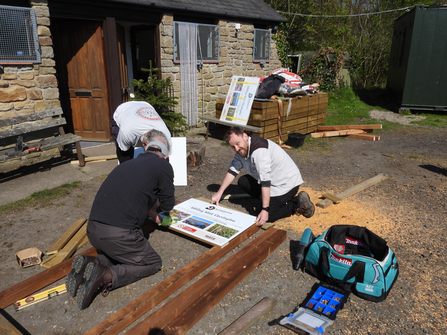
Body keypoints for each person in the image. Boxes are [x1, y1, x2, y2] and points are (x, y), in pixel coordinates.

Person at [65, 129, 175, 310]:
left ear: (147, 147)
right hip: (119, 234)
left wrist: (151, 211)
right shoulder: (163, 165)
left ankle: (92, 263)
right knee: (153, 263)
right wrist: (161, 213)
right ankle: (105, 275)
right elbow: (168, 205)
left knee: (119, 255)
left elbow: (135, 197)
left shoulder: (126, 165)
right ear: (164, 155)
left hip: (93, 230)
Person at [211, 127, 315, 226]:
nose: (236, 148)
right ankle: (268, 200)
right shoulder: (242, 149)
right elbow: (233, 169)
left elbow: (265, 181)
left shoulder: (259, 151)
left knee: (266, 216)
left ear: (245, 137)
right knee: (243, 182)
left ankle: (296, 203)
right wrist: (219, 193)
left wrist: (265, 209)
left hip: (286, 184)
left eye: (237, 143)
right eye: (233, 146)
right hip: (272, 180)